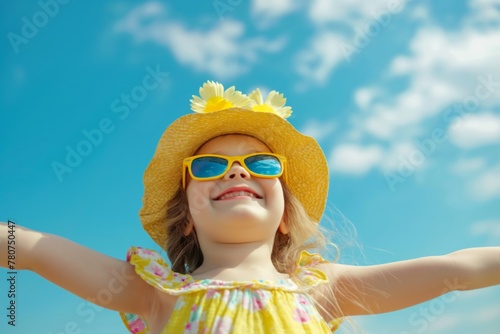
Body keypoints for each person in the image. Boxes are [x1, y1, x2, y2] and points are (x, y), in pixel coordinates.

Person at [1, 80, 499, 333]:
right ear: (186, 220)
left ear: (285, 217)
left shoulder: (323, 289)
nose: (236, 171)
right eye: (209, 167)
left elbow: (455, 269)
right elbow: (34, 248)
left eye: (261, 165)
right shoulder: (158, 292)